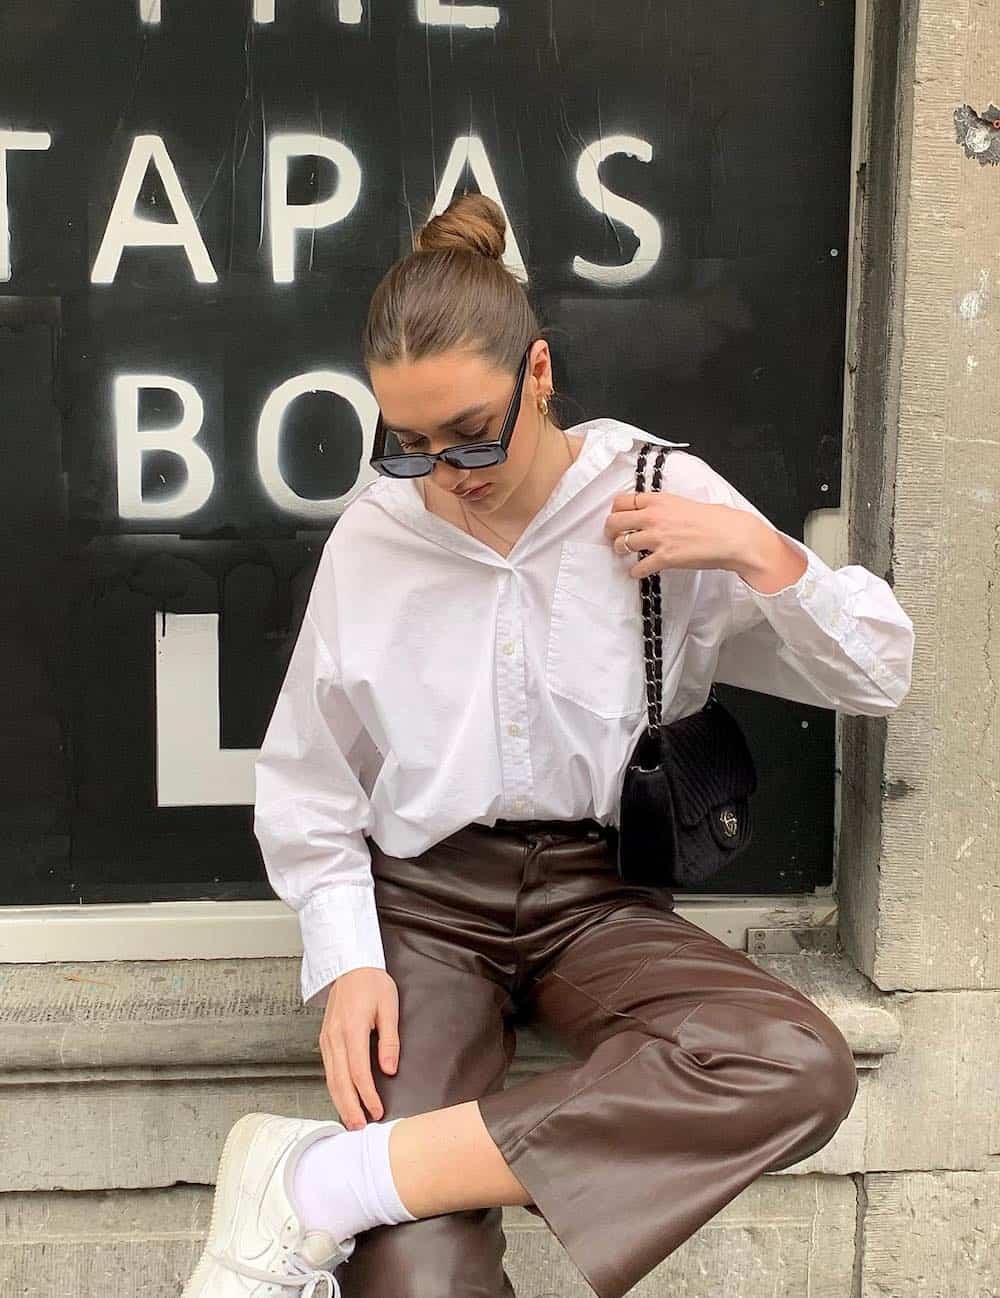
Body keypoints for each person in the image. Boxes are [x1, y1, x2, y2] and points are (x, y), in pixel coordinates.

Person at [181, 193, 915, 1298]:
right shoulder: (378, 536)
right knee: (414, 1267)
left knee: (794, 1064)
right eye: (410, 442)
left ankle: (326, 1180)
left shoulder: (657, 491)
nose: (449, 468)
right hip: (424, 905)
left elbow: (875, 674)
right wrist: (347, 958)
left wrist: (757, 550)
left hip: (601, 897)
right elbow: (309, 778)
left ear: (536, 371)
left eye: (473, 429)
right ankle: (370, 1190)